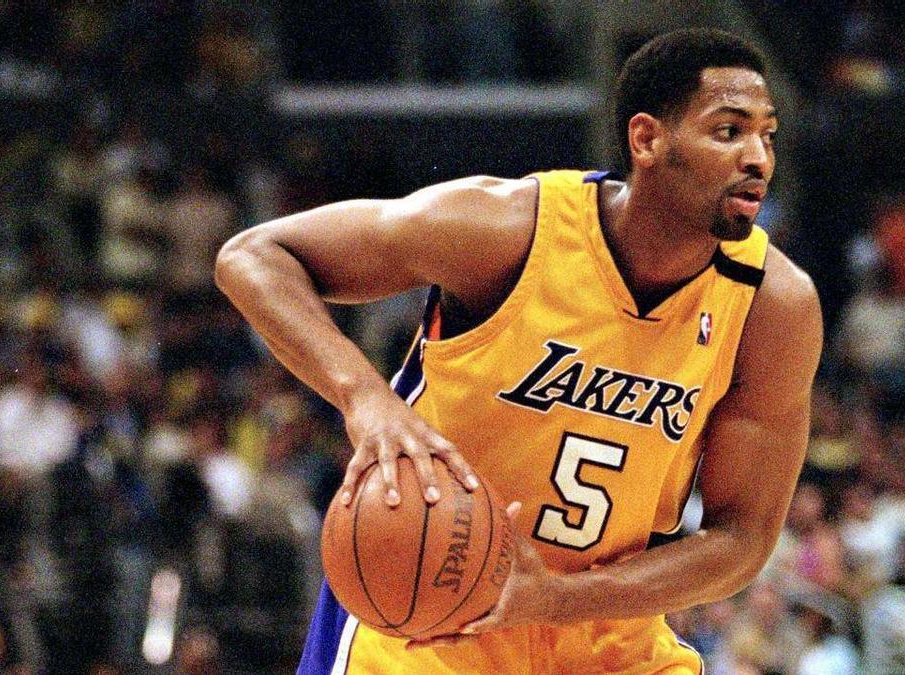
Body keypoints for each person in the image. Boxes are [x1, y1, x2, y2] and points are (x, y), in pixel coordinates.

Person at [216, 28, 821, 674]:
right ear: (647, 140)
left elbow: (742, 540)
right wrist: (364, 398)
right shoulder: (509, 231)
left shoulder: (773, 306)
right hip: (431, 617)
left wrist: (557, 598)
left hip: (606, 632)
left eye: (767, 135)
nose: (758, 157)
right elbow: (254, 257)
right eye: (729, 131)